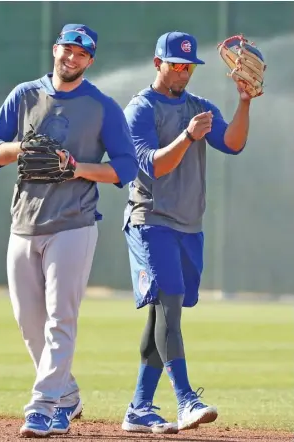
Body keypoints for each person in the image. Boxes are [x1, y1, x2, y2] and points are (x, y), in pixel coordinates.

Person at [0, 23, 138, 438]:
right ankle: (66, 394)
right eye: (67, 49)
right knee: (27, 320)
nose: (72, 58)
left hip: (74, 223)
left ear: (90, 61)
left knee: (59, 319)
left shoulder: (102, 106)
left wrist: (76, 168)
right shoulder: (26, 94)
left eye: (81, 53)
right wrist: (20, 149)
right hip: (24, 222)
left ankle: (43, 407)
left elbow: (125, 167)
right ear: (55, 50)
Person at [122, 31, 253, 434]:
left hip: (188, 226)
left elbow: (232, 144)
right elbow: (152, 166)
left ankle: (139, 408)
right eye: (176, 64)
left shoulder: (200, 107)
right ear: (157, 62)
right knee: (170, 305)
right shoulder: (141, 108)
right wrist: (187, 136)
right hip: (150, 220)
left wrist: (245, 101)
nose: (182, 72)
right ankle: (185, 401)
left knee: (163, 314)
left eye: (188, 66)